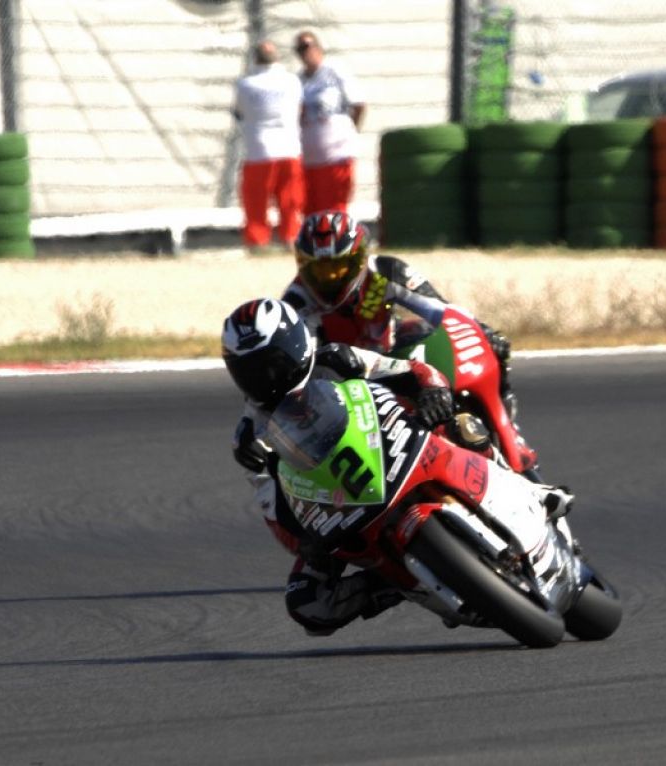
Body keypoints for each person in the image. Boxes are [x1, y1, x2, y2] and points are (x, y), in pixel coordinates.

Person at [222, 298, 457, 635]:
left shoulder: (337, 358)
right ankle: (396, 582)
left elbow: (409, 371)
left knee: (462, 422)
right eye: (250, 371)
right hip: (339, 508)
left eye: (274, 362)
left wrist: (433, 390)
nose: (267, 378)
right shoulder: (251, 439)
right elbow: (274, 509)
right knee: (307, 602)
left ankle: (519, 482)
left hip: (402, 445)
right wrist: (305, 543)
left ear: (297, 345)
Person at [283, 209, 519, 420]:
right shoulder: (296, 301)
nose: (331, 278)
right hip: (347, 381)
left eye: (338, 267)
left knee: (428, 332)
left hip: (394, 356)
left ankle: (503, 415)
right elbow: (302, 366)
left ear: (359, 259)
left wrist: (482, 331)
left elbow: (440, 308)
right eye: (320, 269)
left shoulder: (385, 271)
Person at [233, 40, 304, 252]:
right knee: (290, 199)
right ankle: (291, 238)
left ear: (255, 58)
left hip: (259, 149)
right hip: (289, 146)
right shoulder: (292, 81)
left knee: (256, 200)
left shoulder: (246, 84)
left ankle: (257, 241)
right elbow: (300, 109)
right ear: (277, 57)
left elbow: (239, 112)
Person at [293, 31, 365, 215]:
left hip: (336, 155)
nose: (304, 53)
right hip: (309, 158)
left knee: (334, 210)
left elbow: (358, 105)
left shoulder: (334, 72)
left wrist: (348, 132)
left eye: (307, 47)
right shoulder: (299, 80)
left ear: (318, 48)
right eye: (299, 49)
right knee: (311, 212)